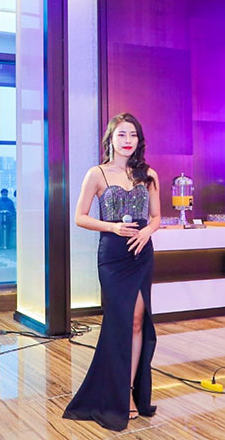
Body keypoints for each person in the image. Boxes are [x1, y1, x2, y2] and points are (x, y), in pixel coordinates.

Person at [63, 113, 160, 431]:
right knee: (119, 322)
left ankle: (128, 391)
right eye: (121, 135)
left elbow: (156, 217)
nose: (127, 140)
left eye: (133, 134)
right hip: (113, 256)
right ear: (111, 140)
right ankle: (112, 392)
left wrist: (148, 232)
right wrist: (112, 227)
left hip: (141, 253)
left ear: (139, 140)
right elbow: (80, 217)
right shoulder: (97, 173)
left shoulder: (149, 175)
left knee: (137, 321)